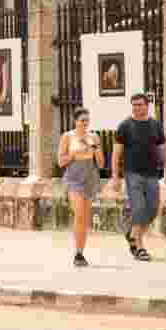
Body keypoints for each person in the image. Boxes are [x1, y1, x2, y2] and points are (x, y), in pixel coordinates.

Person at [112, 93, 166, 262]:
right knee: (138, 208)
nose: (137, 108)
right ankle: (139, 247)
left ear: (147, 106)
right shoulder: (125, 126)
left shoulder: (155, 125)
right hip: (133, 174)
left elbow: (163, 149)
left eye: (140, 104)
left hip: (152, 174)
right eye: (134, 105)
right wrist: (115, 176)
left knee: (152, 210)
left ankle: (132, 233)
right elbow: (116, 153)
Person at [58, 108, 104, 267]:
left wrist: (95, 149)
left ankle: (80, 252)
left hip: (89, 177)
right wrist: (73, 154)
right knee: (78, 214)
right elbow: (60, 161)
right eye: (82, 120)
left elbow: (101, 163)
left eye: (87, 120)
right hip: (73, 177)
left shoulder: (94, 136)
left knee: (84, 218)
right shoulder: (67, 137)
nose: (85, 123)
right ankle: (77, 252)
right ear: (75, 121)